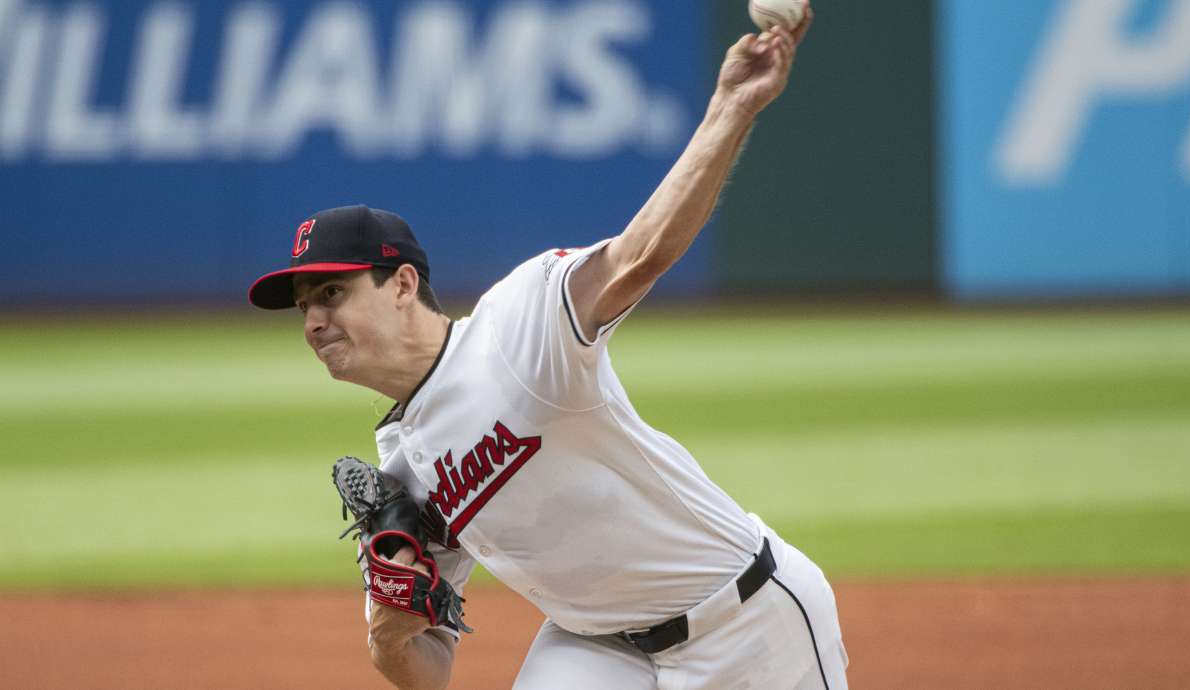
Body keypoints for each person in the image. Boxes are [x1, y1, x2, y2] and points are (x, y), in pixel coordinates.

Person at [249, 4, 847, 688]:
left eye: (332, 294)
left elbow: (638, 257)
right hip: (598, 647)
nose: (314, 322)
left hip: (744, 618)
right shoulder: (403, 477)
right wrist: (390, 622)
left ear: (403, 284)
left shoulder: (519, 323)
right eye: (304, 308)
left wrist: (731, 108)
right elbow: (428, 671)